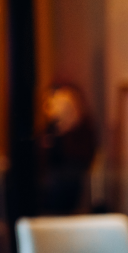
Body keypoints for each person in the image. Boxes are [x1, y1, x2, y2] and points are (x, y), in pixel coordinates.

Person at [38, 83, 98, 215]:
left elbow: (79, 159)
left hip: (69, 180)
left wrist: (63, 131)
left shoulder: (82, 129)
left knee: (58, 181)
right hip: (49, 179)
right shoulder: (50, 128)